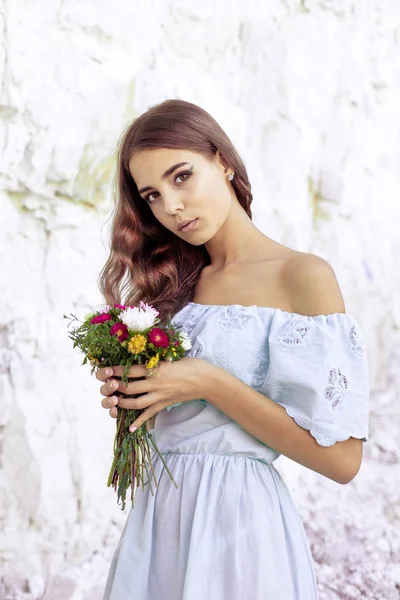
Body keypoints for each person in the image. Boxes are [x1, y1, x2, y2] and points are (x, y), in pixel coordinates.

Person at [96, 99, 369, 599]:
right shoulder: (171, 287)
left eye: (182, 177)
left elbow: (343, 461)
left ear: (222, 160)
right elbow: (179, 428)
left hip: (242, 527)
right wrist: (132, 397)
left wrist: (209, 382)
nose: (171, 207)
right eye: (152, 195)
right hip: (159, 517)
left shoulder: (301, 277)